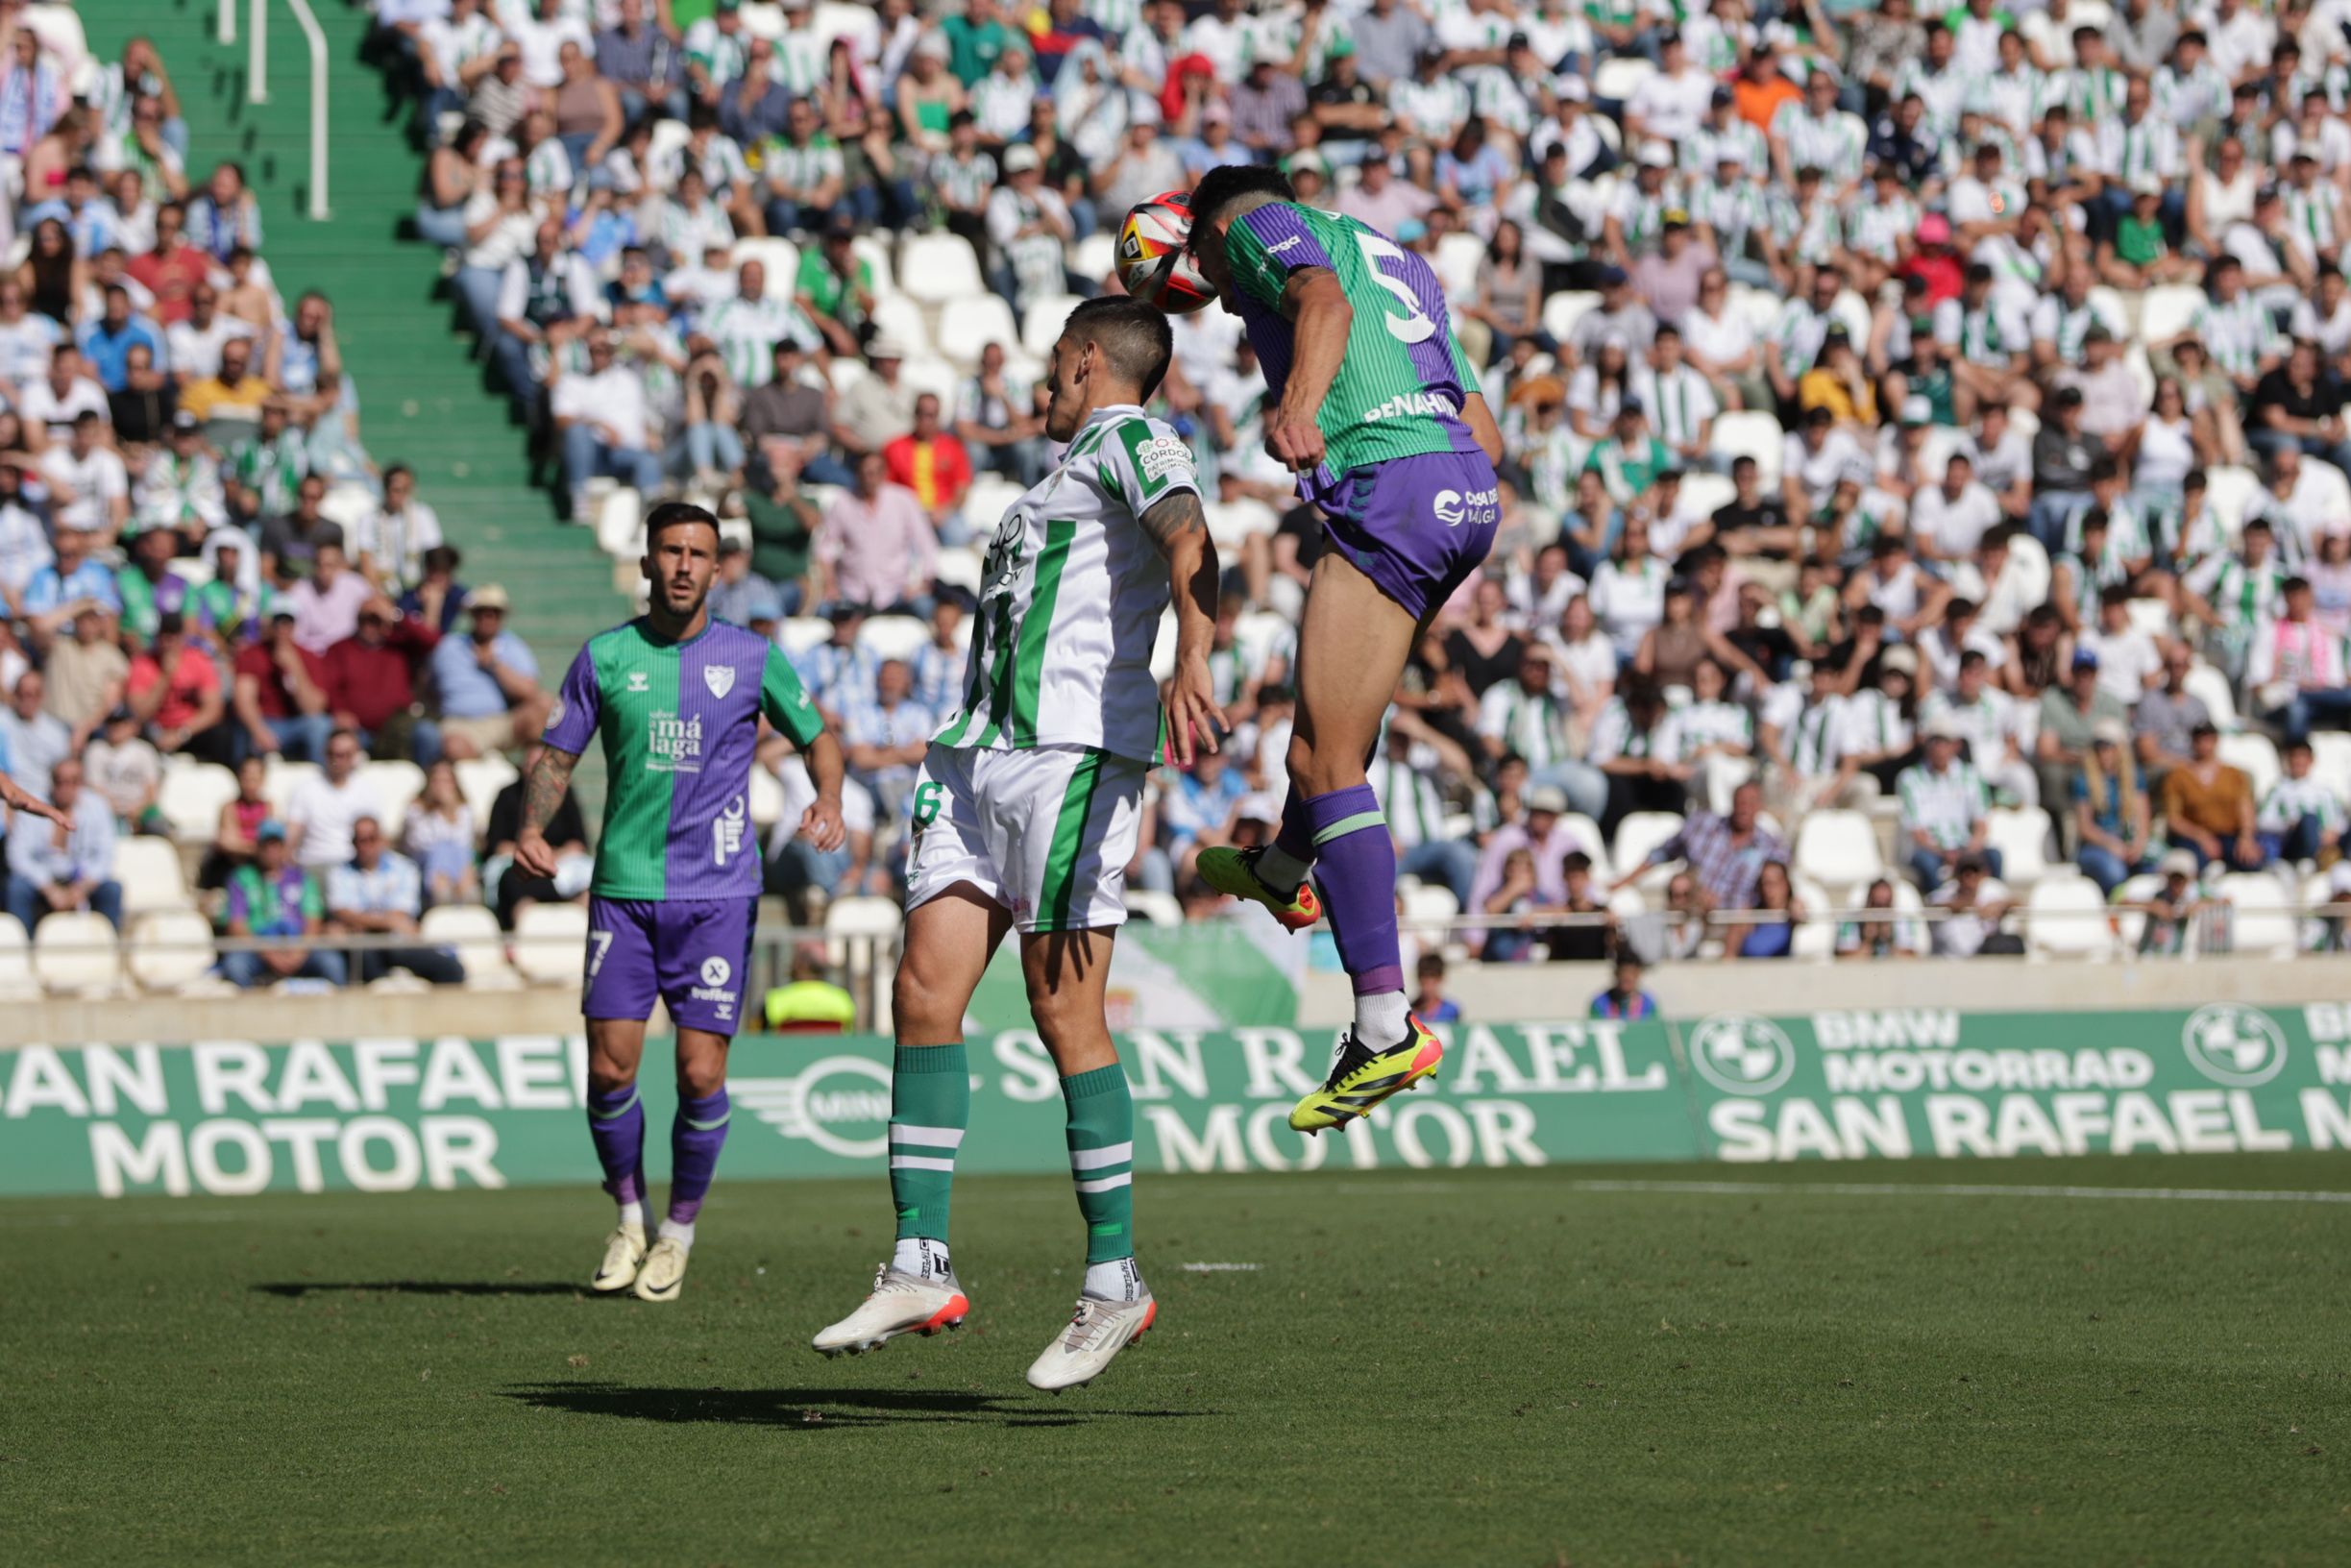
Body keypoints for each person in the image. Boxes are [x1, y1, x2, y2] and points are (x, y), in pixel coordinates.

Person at [812, 298, 1222, 1394]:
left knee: (1060, 1010)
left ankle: (1114, 1280)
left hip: (1067, 756)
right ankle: (918, 1260)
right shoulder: (1059, 474)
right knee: (922, 995)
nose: (1042, 384)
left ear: (1086, 362)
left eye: (1052, 366)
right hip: (975, 756)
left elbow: (1189, 533)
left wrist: (1195, 653)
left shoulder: (1132, 438)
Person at [1183, 165, 1506, 1136]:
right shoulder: (1398, 259)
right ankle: (1284, 874)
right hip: (1463, 488)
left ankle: (1381, 1026)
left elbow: (1310, 296)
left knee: (1323, 753)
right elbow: (1477, 417)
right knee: (1326, 743)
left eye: (1204, 262)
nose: (1211, 284)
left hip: (1389, 480)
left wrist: (1298, 405)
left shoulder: (1259, 225)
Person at [521, 502, 846, 1306]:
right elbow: (557, 755)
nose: (682, 566)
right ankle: (629, 1217)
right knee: (609, 1068)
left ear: (716, 566)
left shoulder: (750, 656)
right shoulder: (604, 658)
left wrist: (828, 798)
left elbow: (817, 736)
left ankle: (679, 1233)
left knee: (700, 1075)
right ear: (645, 563)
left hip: (717, 897)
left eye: (698, 553)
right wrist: (531, 823)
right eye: (669, 550)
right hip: (624, 893)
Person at [325, 816, 464, 985]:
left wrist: (358, 920)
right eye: (360, 840)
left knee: (451, 969)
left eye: (372, 839)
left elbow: (401, 913)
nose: (366, 846)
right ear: (353, 843)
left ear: (383, 840)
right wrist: (388, 921)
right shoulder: (340, 872)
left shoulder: (404, 867)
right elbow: (343, 912)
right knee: (362, 963)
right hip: (363, 947)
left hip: (398, 943)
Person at [222, 821, 346, 988]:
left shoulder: (301, 877)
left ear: (284, 847)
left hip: (298, 946)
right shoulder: (241, 878)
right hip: (258, 948)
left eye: (276, 845)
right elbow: (236, 926)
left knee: (332, 963)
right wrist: (268, 953)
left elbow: (313, 920)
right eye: (266, 845)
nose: (271, 851)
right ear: (257, 848)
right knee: (235, 966)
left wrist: (299, 952)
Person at [429, 585, 547, 759]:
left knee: (546, 707)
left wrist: (494, 666)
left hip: (502, 722)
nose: (488, 617)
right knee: (454, 747)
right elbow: (428, 686)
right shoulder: (449, 646)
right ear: (472, 615)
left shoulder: (513, 646)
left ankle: (531, 771)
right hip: (460, 725)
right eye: (482, 612)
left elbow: (530, 692)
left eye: (494, 612)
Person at [4, 757, 120, 931]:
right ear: (51, 781)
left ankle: (111, 948)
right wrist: (48, 888)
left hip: (81, 879)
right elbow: (17, 855)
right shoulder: (34, 804)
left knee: (112, 889)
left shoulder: (97, 806)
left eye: (72, 782)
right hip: (43, 878)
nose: (65, 787)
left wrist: (82, 888)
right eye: (59, 781)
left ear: (81, 783)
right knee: (16, 888)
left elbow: (105, 855)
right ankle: (24, 950)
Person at [2159, 722, 2265, 872]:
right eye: (2199, 740)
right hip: (2193, 836)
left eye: (2208, 739)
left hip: (2228, 834)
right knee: (2191, 865)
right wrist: (2201, 836)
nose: (2204, 745)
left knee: (2252, 861)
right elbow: (2174, 818)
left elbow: (2245, 808)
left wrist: (2246, 837)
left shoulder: (2234, 775)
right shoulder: (2178, 776)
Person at [1590, 950, 1658, 1019]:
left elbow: (1655, 1028)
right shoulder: (1599, 1004)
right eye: (1623, 971)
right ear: (1616, 973)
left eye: (1632, 972)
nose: (1627, 977)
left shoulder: (1649, 1005)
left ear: (1639, 974)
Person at [1411, 951, 1459, 1024]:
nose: (1427, 986)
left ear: (1441, 979)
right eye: (1423, 978)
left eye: (1432, 977)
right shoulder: (1408, 1011)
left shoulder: (1452, 1011)